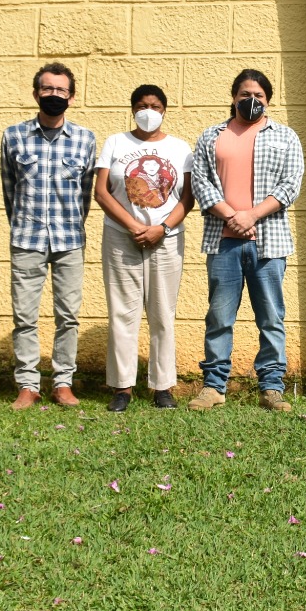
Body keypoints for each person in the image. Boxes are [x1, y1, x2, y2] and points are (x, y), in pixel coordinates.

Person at [189, 69, 304, 412]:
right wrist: (232, 217)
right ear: (233, 96)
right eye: (244, 94)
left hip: (269, 242)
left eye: (258, 96)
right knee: (219, 317)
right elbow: (202, 183)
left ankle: (271, 387)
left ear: (268, 100)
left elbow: (290, 184)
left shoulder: (285, 137)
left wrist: (251, 215)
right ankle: (213, 387)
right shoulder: (212, 136)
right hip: (223, 242)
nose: (251, 101)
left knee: (270, 317)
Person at [0, 63, 96, 410]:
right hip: (27, 238)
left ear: (71, 96)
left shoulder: (85, 139)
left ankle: (62, 383)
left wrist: (73, 222)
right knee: (24, 316)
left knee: (67, 315)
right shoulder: (13, 136)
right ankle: (27, 384)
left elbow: (86, 193)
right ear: (36, 92)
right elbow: (9, 189)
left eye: (61, 90)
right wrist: (22, 223)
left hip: (69, 238)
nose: (54, 95)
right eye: (47, 89)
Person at [94, 85, 194, 412]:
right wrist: (133, 225)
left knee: (162, 312)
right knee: (123, 312)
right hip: (121, 236)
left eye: (154, 105)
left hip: (166, 238)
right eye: (141, 105)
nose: (147, 111)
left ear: (164, 110)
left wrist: (161, 228)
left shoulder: (181, 149)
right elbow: (102, 191)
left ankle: (162, 386)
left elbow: (187, 197)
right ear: (132, 109)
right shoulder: (115, 143)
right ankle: (122, 387)